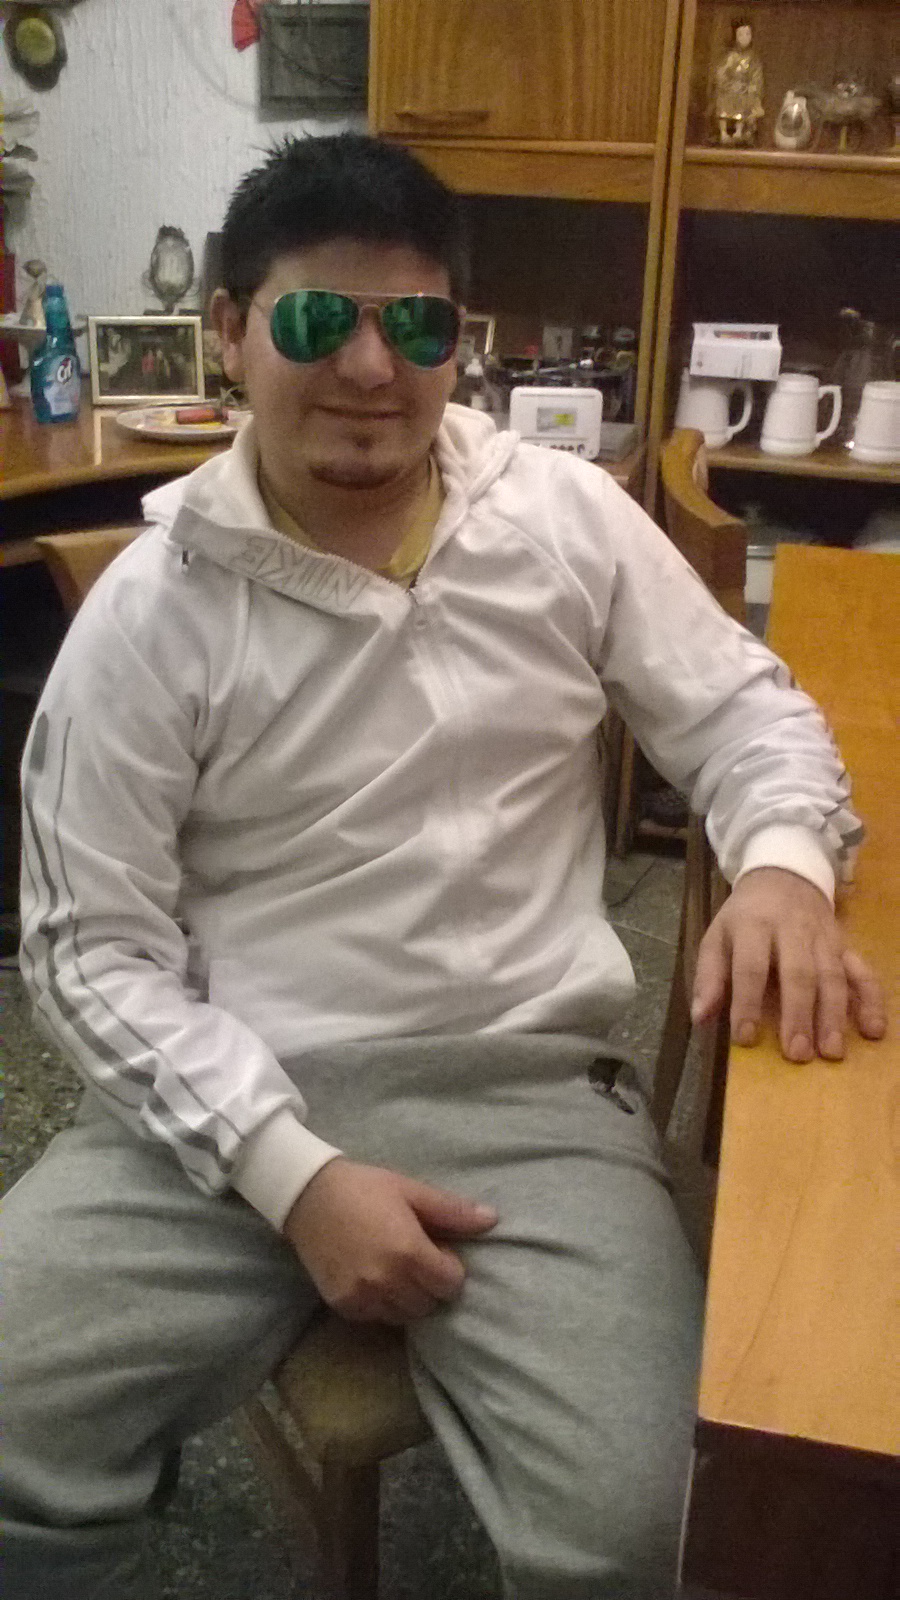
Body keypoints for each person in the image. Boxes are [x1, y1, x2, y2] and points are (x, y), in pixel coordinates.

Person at [4, 133, 885, 1600]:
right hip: (220, 1097)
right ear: (230, 333)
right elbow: (87, 948)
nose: (371, 366)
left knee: (650, 1534)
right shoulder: (155, 612)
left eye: (416, 326)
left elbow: (746, 712)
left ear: (457, 341)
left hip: (521, 1091)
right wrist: (291, 1175)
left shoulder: (560, 519)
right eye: (314, 319)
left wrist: (785, 864)